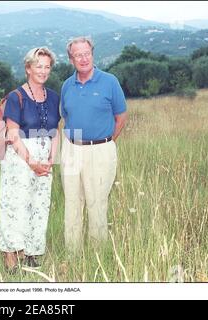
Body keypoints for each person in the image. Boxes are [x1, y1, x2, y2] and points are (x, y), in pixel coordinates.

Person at [60, 36, 127, 254]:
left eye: (86, 53)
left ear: (93, 54)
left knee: (97, 204)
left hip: (101, 150)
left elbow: (121, 118)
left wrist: (103, 143)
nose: (83, 58)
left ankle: (97, 258)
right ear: (71, 59)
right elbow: (66, 116)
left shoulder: (110, 81)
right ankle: (72, 254)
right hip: (71, 149)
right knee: (72, 203)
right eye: (78, 55)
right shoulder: (66, 85)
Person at [0, 47, 61, 273]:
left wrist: (52, 158)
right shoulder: (16, 97)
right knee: (16, 206)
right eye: (38, 66)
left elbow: (55, 131)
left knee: (39, 205)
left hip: (45, 158)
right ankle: (11, 256)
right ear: (28, 68)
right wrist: (31, 161)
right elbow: (12, 134)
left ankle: (33, 253)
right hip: (20, 158)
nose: (43, 71)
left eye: (47, 66)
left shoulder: (54, 97)